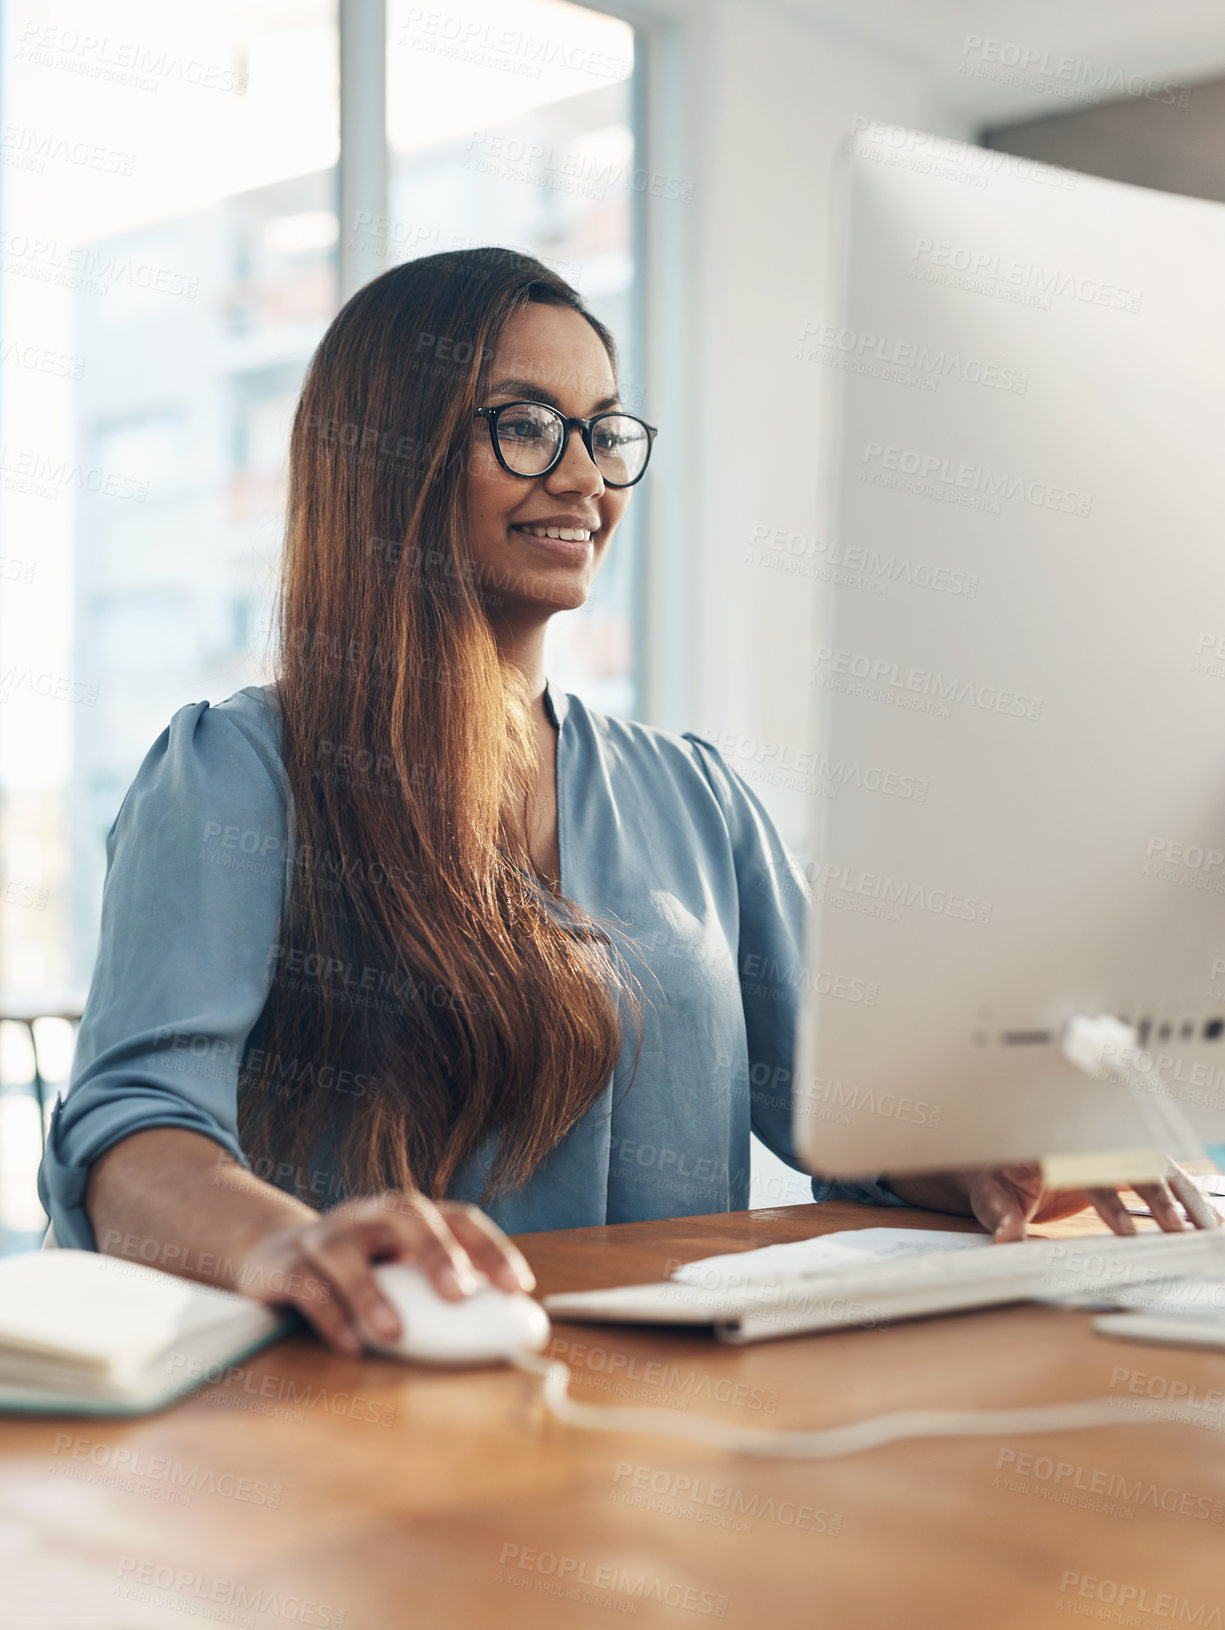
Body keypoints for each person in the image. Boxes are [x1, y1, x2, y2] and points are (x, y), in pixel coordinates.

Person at [37, 248, 1208, 1357]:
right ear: (391, 452)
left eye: (602, 431)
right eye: (528, 425)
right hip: (361, 1412)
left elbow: (853, 1110)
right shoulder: (237, 772)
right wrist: (290, 1246)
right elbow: (132, 1136)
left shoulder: (695, 797)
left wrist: (984, 1154)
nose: (586, 477)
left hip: (664, 1421)